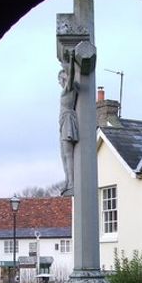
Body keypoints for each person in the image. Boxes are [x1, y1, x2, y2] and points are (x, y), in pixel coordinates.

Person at [58, 50, 79, 195]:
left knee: (68, 154)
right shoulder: (66, 90)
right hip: (63, 122)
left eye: (60, 78)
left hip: (68, 121)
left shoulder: (68, 89)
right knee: (63, 155)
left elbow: (71, 76)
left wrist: (69, 61)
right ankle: (68, 181)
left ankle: (72, 182)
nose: (59, 81)